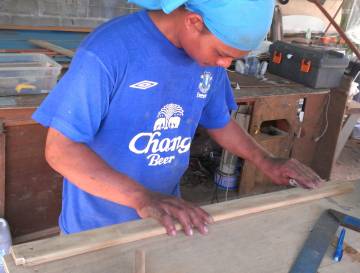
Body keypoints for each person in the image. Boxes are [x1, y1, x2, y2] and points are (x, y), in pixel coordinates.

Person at [33, 0, 323, 236]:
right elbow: (61, 150)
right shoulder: (109, 51)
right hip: (96, 227)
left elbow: (218, 120)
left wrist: (265, 161)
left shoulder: (208, 63)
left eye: (232, 58)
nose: (225, 64)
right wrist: (142, 198)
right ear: (194, 22)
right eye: (223, 53)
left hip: (163, 217)